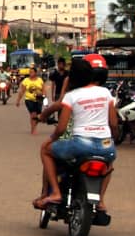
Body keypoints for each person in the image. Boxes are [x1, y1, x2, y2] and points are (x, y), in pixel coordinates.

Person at [36, 57, 118, 211]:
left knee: (45, 150)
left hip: (80, 145)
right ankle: (100, 201)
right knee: (109, 163)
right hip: (106, 145)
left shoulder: (71, 96)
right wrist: (113, 139)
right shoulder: (105, 92)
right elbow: (113, 123)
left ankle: (55, 192)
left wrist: (50, 140)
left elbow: (61, 128)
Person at [15, 66, 45, 134]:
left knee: (38, 115)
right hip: (29, 100)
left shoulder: (40, 80)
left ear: (35, 73)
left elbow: (43, 90)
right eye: (29, 72)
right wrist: (18, 100)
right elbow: (22, 91)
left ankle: (33, 127)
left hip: (39, 99)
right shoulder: (26, 81)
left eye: (32, 72)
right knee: (33, 114)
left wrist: (43, 96)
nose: (30, 73)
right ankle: (33, 129)